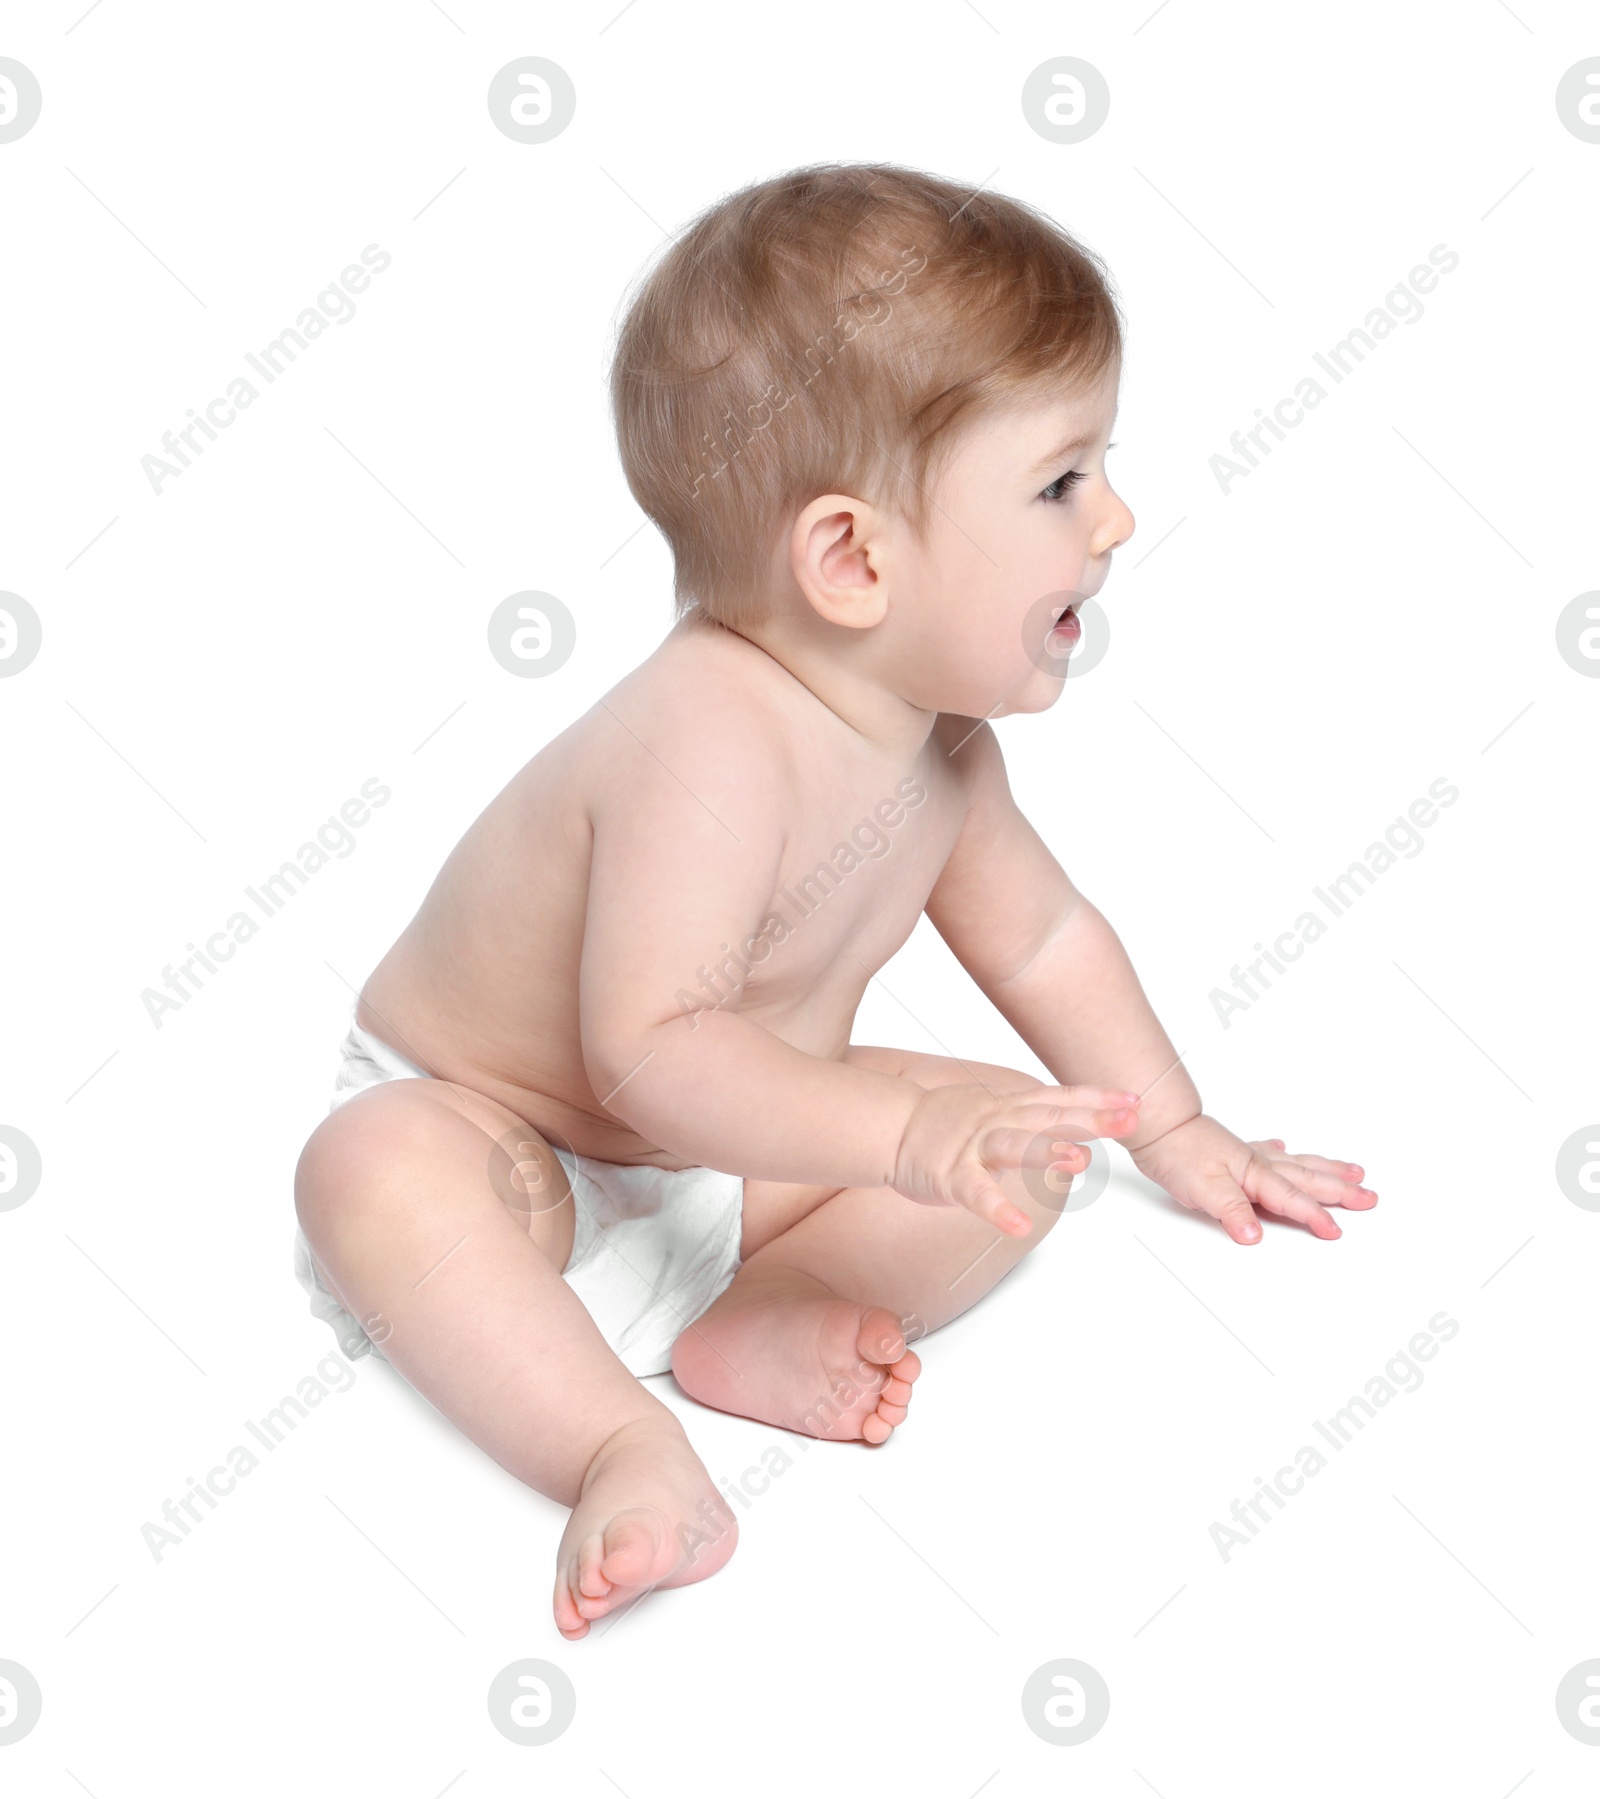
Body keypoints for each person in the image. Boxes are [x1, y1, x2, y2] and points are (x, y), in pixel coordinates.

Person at [293, 162, 1376, 1640]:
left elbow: (1047, 936)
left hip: (736, 1150)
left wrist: (1172, 1125)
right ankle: (617, 1439)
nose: (1115, 518)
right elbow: (646, 1052)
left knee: (1042, 1142)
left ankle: (755, 1318)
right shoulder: (707, 738)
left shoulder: (943, 746)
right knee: (368, 1169)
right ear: (854, 558)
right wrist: (902, 1135)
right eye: (1063, 481)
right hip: (507, 1126)